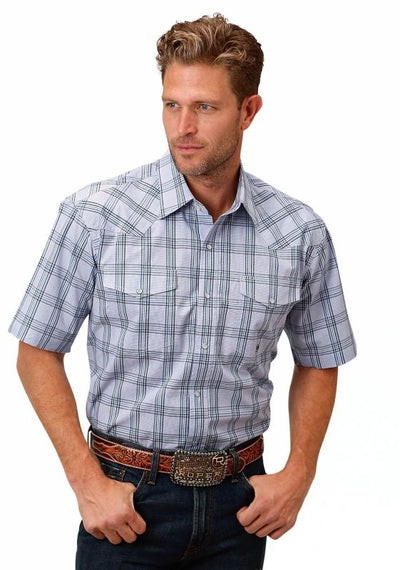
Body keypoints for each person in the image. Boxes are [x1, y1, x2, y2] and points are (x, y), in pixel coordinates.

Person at [9, 13, 356, 570]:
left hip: (240, 508)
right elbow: (36, 351)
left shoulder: (298, 232)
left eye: (205, 107)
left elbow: (320, 359)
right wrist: (86, 483)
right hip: (126, 504)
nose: (182, 127)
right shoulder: (96, 215)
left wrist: (299, 473)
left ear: (248, 111)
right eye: (172, 105)